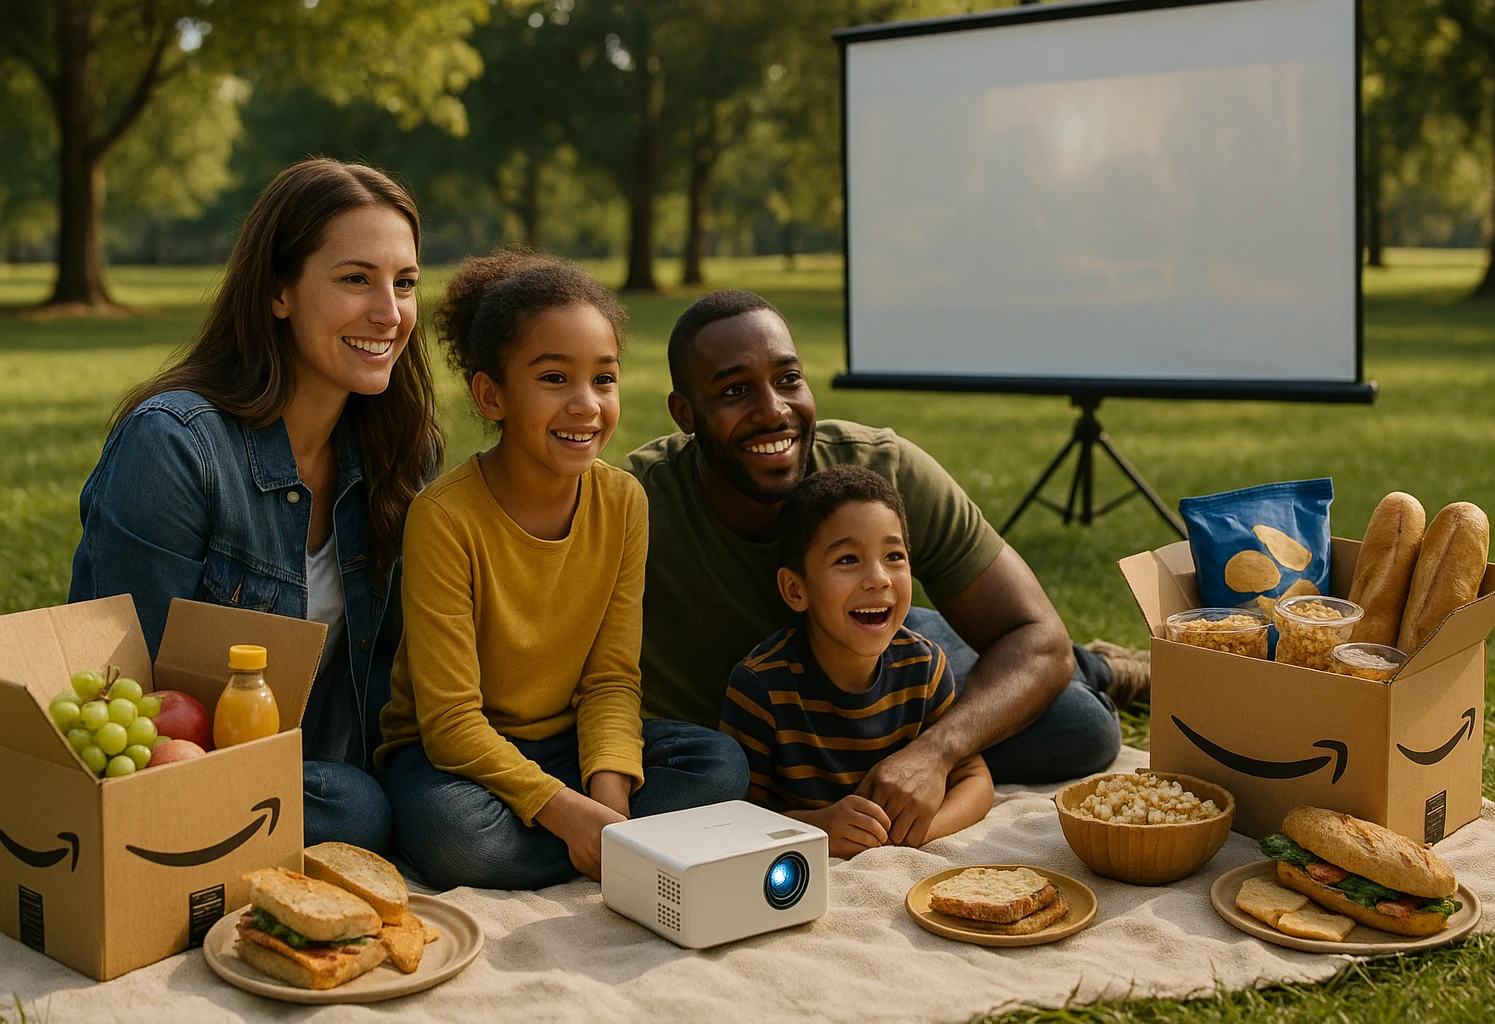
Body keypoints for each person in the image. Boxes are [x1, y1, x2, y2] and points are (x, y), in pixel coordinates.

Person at [628, 289, 1148, 849]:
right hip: (779, 723)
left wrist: (930, 754)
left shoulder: (880, 469)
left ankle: (1100, 668)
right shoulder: (633, 506)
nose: (773, 409)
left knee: (1082, 727)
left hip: (875, 642)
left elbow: (1037, 639)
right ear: (685, 413)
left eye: (788, 379)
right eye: (734, 390)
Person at [70, 159, 441, 853]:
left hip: (334, 770)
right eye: (355, 279)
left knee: (434, 812)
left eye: (406, 282)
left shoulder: (400, 453)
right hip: (189, 779)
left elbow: (399, 685)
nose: (390, 314)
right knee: (360, 811)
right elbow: (130, 700)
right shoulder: (176, 448)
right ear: (279, 292)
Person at [376, 250, 748, 891]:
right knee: (460, 839)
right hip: (454, 761)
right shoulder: (443, 517)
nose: (586, 404)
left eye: (603, 379)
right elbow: (450, 725)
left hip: (568, 744)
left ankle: (589, 844)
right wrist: (573, 814)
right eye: (554, 379)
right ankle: (601, 845)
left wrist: (609, 807)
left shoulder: (624, 500)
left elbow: (610, 680)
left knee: (718, 764)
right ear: (491, 395)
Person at [720, 465, 993, 858]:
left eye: (894, 556)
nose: (879, 578)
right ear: (796, 589)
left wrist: (920, 833)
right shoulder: (761, 686)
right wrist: (819, 828)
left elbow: (975, 779)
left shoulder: (925, 666)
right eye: (848, 559)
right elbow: (737, 817)